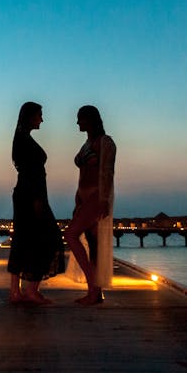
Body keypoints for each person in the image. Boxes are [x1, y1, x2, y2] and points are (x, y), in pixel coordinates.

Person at [8, 101, 65, 304]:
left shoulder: (23, 138)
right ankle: (28, 290)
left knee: (25, 239)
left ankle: (18, 291)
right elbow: (31, 174)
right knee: (48, 239)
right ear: (30, 116)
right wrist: (38, 200)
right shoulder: (23, 140)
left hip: (29, 194)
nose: (42, 119)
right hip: (31, 195)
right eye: (40, 114)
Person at [62, 105, 116, 305]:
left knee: (70, 234)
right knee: (93, 244)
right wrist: (78, 198)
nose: (77, 123)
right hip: (83, 196)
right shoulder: (87, 144)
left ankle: (93, 284)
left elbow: (107, 172)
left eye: (80, 119)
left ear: (91, 120)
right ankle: (95, 292)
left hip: (97, 196)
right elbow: (82, 172)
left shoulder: (105, 142)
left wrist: (104, 201)